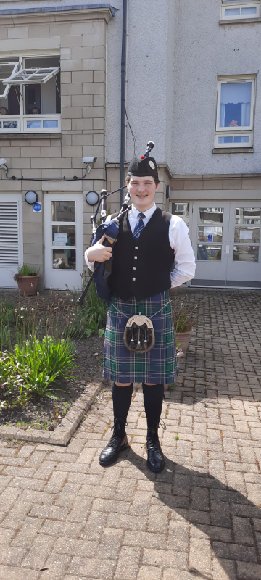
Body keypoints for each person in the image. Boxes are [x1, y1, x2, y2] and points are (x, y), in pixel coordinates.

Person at [85, 146, 196, 472]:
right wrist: (92, 255)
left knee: (152, 380)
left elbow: (187, 269)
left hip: (155, 307)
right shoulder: (111, 222)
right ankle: (118, 436)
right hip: (120, 308)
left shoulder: (172, 224)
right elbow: (98, 265)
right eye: (135, 182)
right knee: (120, 379)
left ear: (156, 187)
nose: (141, 189)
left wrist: (157, 287)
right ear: (129, 184)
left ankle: (152, 440)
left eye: (147, 183)